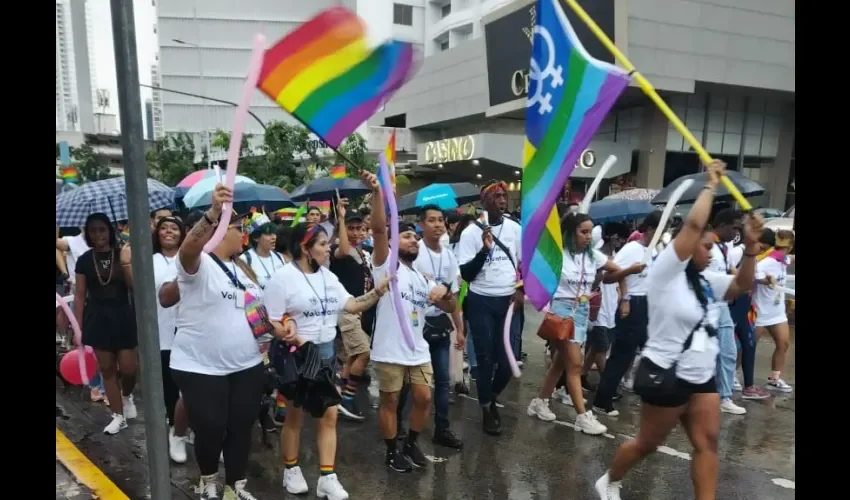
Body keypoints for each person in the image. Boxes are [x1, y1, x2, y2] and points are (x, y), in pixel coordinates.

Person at [595, 160, 763, 500]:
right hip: (665, 373)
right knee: (648, 444)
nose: (711, 250)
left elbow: (743, 285)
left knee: (707, 443)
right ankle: (609, 479)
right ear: (685, 248)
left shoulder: (705, 282)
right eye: (706, 245)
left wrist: (751, 249)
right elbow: (696, 222)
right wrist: (710, 184)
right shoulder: (665, 272)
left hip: (701, 376)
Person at [264, 222, 389, 500]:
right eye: (322, 244)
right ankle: (291, 468)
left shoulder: (328, 277)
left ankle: (327, 476)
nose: (328, 249)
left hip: (325, 353)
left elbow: (351, 305)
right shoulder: (282, 278)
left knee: (329, 415)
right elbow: (269, 320)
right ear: (306, 248)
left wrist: (379, 292)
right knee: (295, 415)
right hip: (297, 355)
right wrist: (287, 330)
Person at [169, 184, 268, 500]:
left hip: (247, 365)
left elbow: (255, 313)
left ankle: (234, 487)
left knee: (241, 428)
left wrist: (275, 335)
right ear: (224, 231)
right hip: (200, 366)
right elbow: (187, 249)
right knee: (211, 428)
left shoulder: (245, 269)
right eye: (240, 228)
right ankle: (208, 480)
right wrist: (213, 213)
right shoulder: (199, 265)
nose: (244, 234)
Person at [364, 171, 454, 473]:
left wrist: (446, 293)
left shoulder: (419, 276)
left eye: (416, 237)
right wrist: (377, 192)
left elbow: (451, 304)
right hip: (390, 348)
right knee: (390, 402)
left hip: (418, 348)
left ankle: (412, 442)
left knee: (423, 398)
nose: (414, 240)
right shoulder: (386, 266)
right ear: (393, 242)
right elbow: (378, 230)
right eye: (407, 236)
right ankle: (391, 451)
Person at [526, 213, 640, 435]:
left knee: (561, 362)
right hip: (561, 312)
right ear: (570, 233)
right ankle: (582, 415)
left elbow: (617, 271)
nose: (588, 236)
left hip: (582, 312)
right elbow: (533, 272)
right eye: (583, 232)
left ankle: (539, 402)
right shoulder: (556, 255)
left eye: (590, 231)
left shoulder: (592, 256)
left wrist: (625, 295)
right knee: (575, 365)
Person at [457, 180, 522, 436]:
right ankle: (486, 409)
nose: (502, 201)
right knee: (485, 359)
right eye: (496, 197)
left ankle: (490, 395)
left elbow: (524, 263)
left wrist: (521, 290)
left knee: (507, 362)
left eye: (504, 196)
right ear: (484, 202)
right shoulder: (470, 234)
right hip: (480, 301)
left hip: (508, 302)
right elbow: (466, 274)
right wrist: (485, 251)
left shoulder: (515, 229)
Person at [73, 213, 138, 435]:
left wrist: (127, 263)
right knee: (107, 370)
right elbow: (80, 295)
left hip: (123, 315)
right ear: (88, 234)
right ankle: (118, 416)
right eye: (93, 230)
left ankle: (126, 396)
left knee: (130, 369)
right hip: (97, 318)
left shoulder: (123, 254)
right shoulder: (84, 260)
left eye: (102, 229)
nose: (98, 234)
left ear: (110, 231)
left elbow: (134, 287)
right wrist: (78, 328)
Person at [593, 211, 663, 417]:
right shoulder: (632, 249)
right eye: (660, 230)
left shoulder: (656, 250)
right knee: (622, 356)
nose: (662, 234)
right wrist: (629, 273)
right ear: (650, 229)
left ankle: (655, 398)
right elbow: (608, 278)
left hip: (648, 304)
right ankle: (602, 400)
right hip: (632, 304)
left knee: (653, 352)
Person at [412, 205, 465, 449]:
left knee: (443, 380)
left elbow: (454, 299)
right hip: (416, 326)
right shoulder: (414, 252)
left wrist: (460, 329)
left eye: (441, 220)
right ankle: (404, 430)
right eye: (431, 220)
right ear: (421, 224)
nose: (438, 225)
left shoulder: (449, 256)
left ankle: (442, 429)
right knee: (411, 382)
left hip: (441, 326)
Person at [329, 202, 375, 422]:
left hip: (363, 311)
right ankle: (346, 398)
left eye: (359, 228)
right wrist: (341, 218)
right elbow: (343, 250)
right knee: (364, 353)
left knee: (354, 355)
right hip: (346, 310)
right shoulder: (337, 250)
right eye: (351, 228)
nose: (356, 232)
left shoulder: (365, 253)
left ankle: (338, 394)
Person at [151, 216, 191, 462]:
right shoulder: (150, 260)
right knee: (170, 383)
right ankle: (173, 428)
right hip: (161, 330)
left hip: (189, 329)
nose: (168, 232)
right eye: (164, 228)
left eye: (174, 228)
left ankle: (190, 427)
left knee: (191, 384)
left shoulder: (191, 257)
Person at [707, 208, 748, 414]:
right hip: (706, 306)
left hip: (721, 306)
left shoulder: (723, 248)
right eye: (734, 228)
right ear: (722, 225)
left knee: (728, 351)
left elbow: (730, 270)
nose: (736, 233)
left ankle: (723, 396)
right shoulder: (707, 247)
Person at [240, 212, 285, 289]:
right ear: (256, 237)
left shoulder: (279, 257)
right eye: (268, 234)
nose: (273, 237)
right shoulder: (245, 260)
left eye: (274, 233)